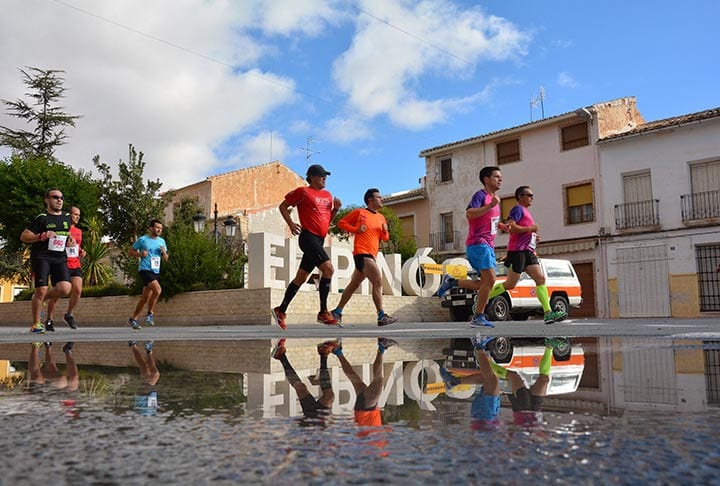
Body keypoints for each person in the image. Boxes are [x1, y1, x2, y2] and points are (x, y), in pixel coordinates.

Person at [441, 335, 567, 428]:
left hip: (520, 412)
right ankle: (549, 345)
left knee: (498, 379)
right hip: (533, 415)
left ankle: (480, 351)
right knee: (544, 380)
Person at [272, 164, 342, 329]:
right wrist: (290, 223)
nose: (324, 178)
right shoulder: (303, 192)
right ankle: (323, 312)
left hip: (320, 239)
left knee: (301, 277)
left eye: (325, 176)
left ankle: (280, 310)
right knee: (329, 269)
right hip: (307, 237)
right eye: (321, 175)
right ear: (312, 177)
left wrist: (336, 210)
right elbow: (283, 206)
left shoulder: (327, 195)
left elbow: (327, 221)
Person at [437, 166, 504, 328]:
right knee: (491, 280)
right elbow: (469, 214)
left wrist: (502, 226)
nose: (500, 179)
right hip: (478, 242)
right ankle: (478, 316)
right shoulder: (480, 195)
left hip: (488, 244)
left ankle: (453, 282)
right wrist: (489, 206)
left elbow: (490, 221)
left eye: (501, 177)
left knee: (485, 283)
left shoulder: (495, 199)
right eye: (496, 176)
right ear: (486, 179)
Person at [491, 186, 567, 324]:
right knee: (509, 284)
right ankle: (482, 299)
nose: (532, 198)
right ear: (520, 196)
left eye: (533, 195)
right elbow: (511, 227)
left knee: (541, 279)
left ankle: (548, 313)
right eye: (529, 195)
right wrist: (530, 229)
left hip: (528, 252)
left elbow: (524, 232)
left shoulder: (526, 212)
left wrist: (533, 236)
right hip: (517, 252)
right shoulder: (517, 209)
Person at [331, 188, 397, 327]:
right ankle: (381, 316)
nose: (382, 199)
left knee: (354, 285)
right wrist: (356, 229)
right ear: (370, 200)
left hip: (372, 255)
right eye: (379, 197)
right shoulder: (360, 213)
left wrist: (385, 230)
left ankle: (337, 312)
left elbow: (385, 238)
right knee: (378, 280)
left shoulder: (381, 217)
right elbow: (341, 223)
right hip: (361, 253)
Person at [20, 189, 77, 333]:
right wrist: (41, 236)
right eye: (55, 197)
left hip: (59, 257)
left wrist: (70, 240)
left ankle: (40, 298)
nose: (59, 200)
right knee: (42, 289)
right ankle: (36, 324)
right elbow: (24, 236)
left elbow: (66, 233)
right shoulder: (42, 218)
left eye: (61, 198)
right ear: (47, 200)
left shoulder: (67, 217)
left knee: (65, 288)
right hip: (42, 257)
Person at [271, 337, 340, 425]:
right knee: (329, 397)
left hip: (311, 429)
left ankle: (281, 355)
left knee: (301, 389)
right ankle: (323, 353)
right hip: (322, 428)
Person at [331, 337, 397, 427]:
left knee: (378, 380)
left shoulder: (376, 440)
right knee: (354, 377)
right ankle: (337, 351)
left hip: (367, 410)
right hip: (362, 412)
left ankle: (382, 346)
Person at [45, 206, 86, 330]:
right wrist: (64, 245)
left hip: (75, 264)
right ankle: (49, 319)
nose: (77, 217)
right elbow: (54, 244)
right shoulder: (61, 227)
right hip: (61, 263)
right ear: (68, 215)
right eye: (75, 214)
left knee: (78, 290)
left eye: (79, 215)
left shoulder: (79, 231)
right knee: (58, 293)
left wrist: (81, 251)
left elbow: (76, 247)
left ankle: (69, 315)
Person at [128, 219, 169, 330]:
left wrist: (164, 253)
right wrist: (140, 254)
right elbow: (130, 251)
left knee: (145, 298)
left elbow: (166, 258)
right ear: (151, 228)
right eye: (157, 227)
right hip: (145, 270)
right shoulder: (142, 240)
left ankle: (134, 319)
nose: (159, 230)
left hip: (155, 271)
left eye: (160, 228)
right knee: (158, 290)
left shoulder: (162, 241)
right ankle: (150, 314)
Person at [128, 340, 160, 415]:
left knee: (155, 374)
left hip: (144, 399)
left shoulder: (145, 422)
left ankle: (147, 349)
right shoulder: (153, 420)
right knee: (144, 367)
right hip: (147, 397)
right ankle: (135, 345)